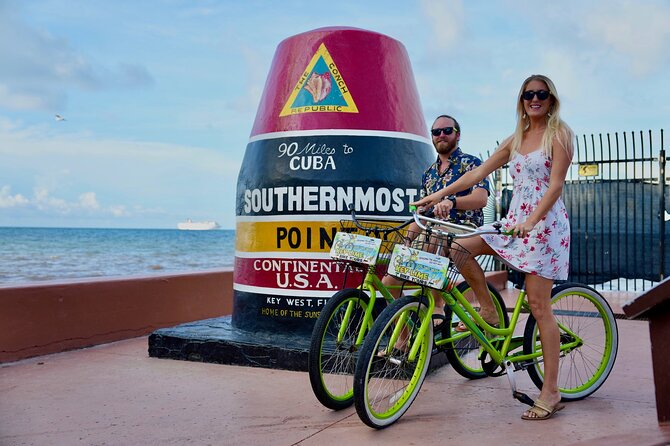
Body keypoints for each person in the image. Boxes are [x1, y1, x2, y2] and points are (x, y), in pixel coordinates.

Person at [412, 74, 573, 421]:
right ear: (522, 99)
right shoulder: (515, 139)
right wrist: (439, 195)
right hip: (513, 221)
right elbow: (478, 172)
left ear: (551, 99)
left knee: (538, 306)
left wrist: (532, 222)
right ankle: (488, 309)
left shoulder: (559, 133)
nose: (535, 99)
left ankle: (552, 390)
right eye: (529, 94)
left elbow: (556, 186)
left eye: (541, 94)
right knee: (458, 248)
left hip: (544, 226)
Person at [385, 114, 490, 325]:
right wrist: (406, 241)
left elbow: (481, 198)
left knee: (436, 243)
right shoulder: (428, 174)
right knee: (389, 282)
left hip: (462, 228)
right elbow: (422, 214)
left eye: (447, 131)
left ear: (457, 135)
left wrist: (452, 201)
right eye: (436, 132)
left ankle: (438, 306)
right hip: (432, 229)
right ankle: (402, 340)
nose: (441, 135)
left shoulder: (471, 163)